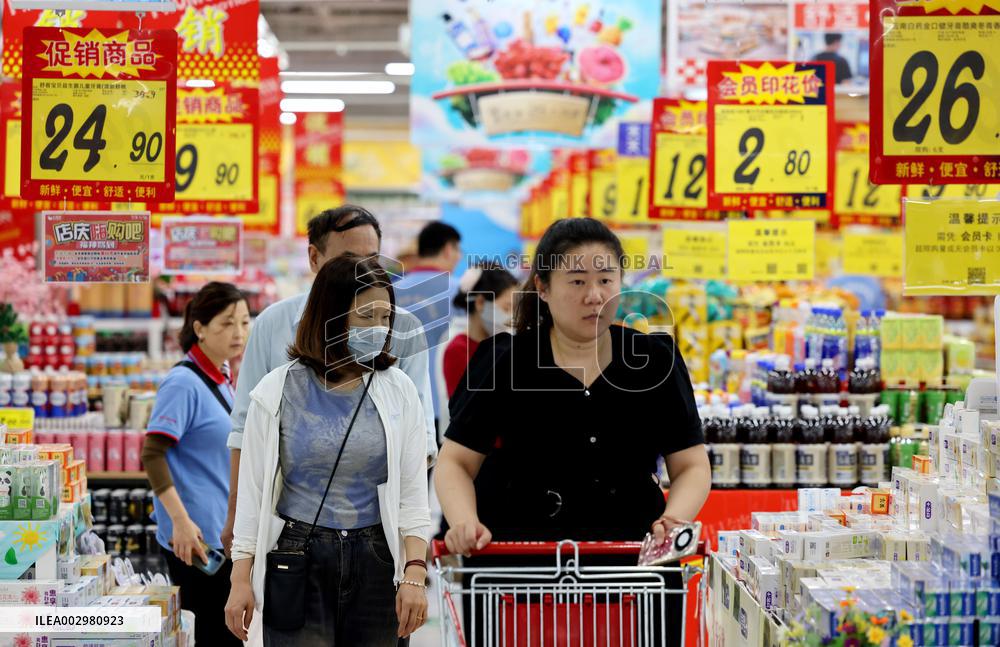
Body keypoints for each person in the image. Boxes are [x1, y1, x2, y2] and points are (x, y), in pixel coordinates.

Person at [435, 218, 712, 647]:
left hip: (634, 570)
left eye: (606, 279)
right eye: (577, 280)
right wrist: (464, 522)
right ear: (542, 287)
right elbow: (454, 462)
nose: (595, 295)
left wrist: (675, 518)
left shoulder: (653, 359)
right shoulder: (503, 361)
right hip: (520, 569)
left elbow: (691, 464)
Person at [224, 254, 431, 646]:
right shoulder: (276, 390)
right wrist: (240, 579)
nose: (378, 328)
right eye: (365, 316)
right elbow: (252, 494)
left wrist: (414, 574)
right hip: (298, 555)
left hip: (377, 556)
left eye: (385, 318)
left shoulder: (398, 390)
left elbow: (412, 494)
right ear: (331, 316)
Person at [222, 205, 436, 556]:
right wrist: (236, 517)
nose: (363, 272)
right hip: (289, 529)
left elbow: (417, 442)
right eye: (349, 259)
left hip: (377, 533)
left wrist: (414, 544)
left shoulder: (404, 329)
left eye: (372, 259)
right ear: (314, 258)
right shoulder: (273, 326)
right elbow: (245, 431)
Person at [142, 282, 250, 647]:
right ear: (199, 328)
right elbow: (153, 453)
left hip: (221, 537)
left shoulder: (222, 379)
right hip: (195, 541)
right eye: (226, 323)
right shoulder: (183, 383)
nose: (238, 333)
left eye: (245, 322)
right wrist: (180, 522)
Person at [392, 221, 463, 427]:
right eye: (458, 250)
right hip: (443, 401)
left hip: (396, 402)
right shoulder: (460, 293)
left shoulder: (389, 292)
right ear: (449, 249)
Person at [442, 264, 518, 398]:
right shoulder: (458, 350)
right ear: (480, 303)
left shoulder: (506, 345)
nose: (510, 317)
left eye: (514, 309)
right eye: (506, 308)